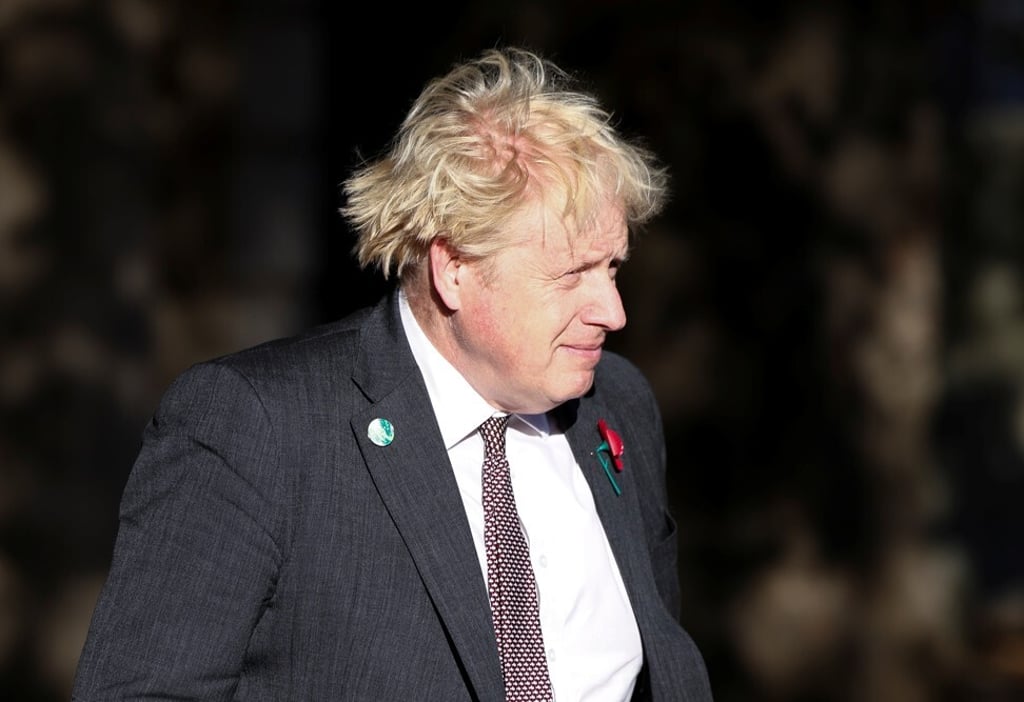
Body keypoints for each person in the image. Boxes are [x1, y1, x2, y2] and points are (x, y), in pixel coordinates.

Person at [72, 46, 713, 701]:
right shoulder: (256, 428)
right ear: (454, 268)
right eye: (572, 274)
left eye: (612, 268)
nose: (612, 310)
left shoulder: (617, 403)